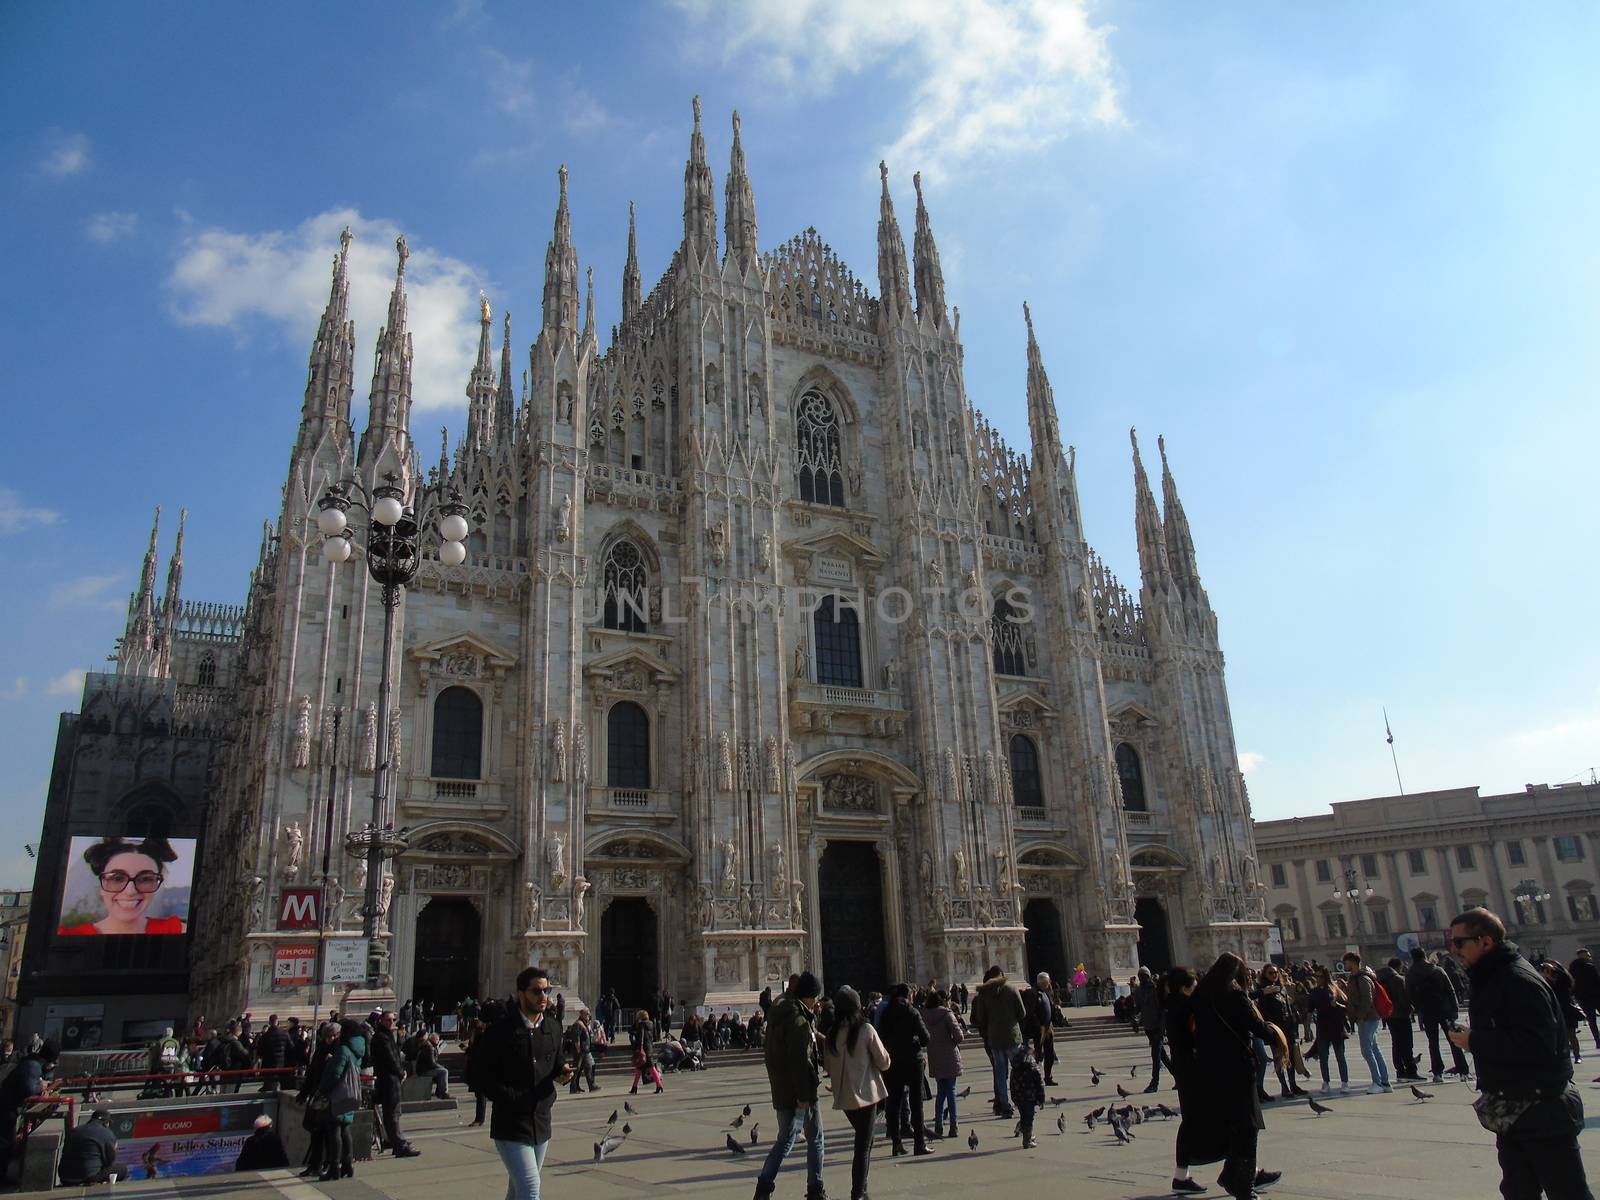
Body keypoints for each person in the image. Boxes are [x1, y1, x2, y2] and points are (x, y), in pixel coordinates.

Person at [1447, 907, 1593, 1200]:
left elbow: (1537, 1045)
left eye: (1460, 943)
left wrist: (1475, 1040)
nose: (1454, 950)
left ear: (1485, 941)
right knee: (1518, 1191)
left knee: (1567, 1192)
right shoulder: (1494, 976)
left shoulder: (1517, 980)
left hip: (1541, 1107)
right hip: (1516, 1107)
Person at [472, 967, 574, 1200]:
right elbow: (481, 1075)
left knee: (517, 1191)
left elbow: (557, 1063)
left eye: (546, 990)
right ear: (521, 993)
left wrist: (563, 1073)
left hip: (540, 1121)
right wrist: (511, 1098)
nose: (543, 996)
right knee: (530, 1188)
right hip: (511, 1123)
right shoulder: (500, 1032)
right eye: (536, 991)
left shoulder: (552, 1028)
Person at [1191, 952, 1285, 1200]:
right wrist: (1276, 1034)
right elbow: (1256, 1027)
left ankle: (1232, 1175)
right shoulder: (1233, 995)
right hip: (1237, 1068)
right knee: (1247, 1126)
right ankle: (1244, 1186)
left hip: (1212, 1070)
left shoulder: (1200, 995)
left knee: (1233, 1124)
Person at [754, 969, 826, 1200]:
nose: (816, 1001)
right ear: (808, 996)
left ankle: (764, 1186)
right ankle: (815, 1188)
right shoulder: (797, 1020)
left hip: (782, 1088)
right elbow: (799, 1062)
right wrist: (804, 1096)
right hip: (800, 1092)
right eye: (815, 996)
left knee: (786, 1138)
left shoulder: (778, 1014)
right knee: (814, 1138)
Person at [823, 985, 889, 1200]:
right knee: (863, 1147)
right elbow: (884, 1061)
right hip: (867, 1096)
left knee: (865, 1142)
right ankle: (858, 1193)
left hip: (845, 1098)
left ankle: (863, 1190)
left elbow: (829, 1068)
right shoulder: (866, 1030)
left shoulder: (831, 1036)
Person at [57, 836, 188, 935]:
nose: (130, 891)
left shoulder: (177, 931)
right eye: (117, 878)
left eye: (145, 879)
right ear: (101, 885)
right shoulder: (66, 935)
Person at [1163, 966, 1219, 1194]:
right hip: (1195, 1072)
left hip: (1186, 1072)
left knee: (1192, 1122)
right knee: (1221, 1119)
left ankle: (1181, 1175)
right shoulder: (1186, 1008)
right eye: (1195, 983)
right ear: (1187, 987)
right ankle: (1243, 1170)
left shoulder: (1173, 1006)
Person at [877, 982, 933, 1157]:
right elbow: (926, 1038)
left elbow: (881, 1037)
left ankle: (896, 1144)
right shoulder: (911, 1012)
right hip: (912, 1062)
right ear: (908, 995)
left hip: (893, 1062)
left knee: (893, 1104)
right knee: (916, 1104)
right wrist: (915, 1040)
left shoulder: (886, 1013)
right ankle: (919, 1144)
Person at [1407, 946, 1472, 1083]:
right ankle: (1463, 1071)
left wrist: (1419, 1008)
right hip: (1444, 1009)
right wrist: (1454, 1009)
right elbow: (1450, 990)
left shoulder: (1411, 973)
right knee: (1454, 1041)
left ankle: (1437, 1073)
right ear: (1424, 955)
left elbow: (1410, 994)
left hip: (1427, 1011)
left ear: (1412, 958)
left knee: (1433, 1043)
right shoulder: (1437, 970)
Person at [970, 964, 1026, 1118]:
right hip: (1012, 1037)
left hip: (994, 1039)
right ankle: (1022, 1101)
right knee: (1020, 1071)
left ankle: (1005, 1105)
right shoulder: (1012, 989)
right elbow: (1022, 1013)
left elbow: (980, 1019)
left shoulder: (983, 994)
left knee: (1000, 1074)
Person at [313, 1019, 366, 1181]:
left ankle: (334, 1167)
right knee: (345, 1129)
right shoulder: (357, 1049)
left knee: (334, 1129)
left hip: (337, 1094)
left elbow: (335, 1074)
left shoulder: (343, 1050)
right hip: (350, 1092)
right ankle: (347, 1165)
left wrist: (322, 1090)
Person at [0, 1037, 57, 1180]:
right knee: (5, 1143)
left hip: (7, 1107)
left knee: (6, 1142)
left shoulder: (31, 1062)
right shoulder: (33, 1066)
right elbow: (28, 1088)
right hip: (6, 1109)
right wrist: (42, 1086)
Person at [1341, 952, 1392, 1093]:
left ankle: (1378, 1082)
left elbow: (1367, 999)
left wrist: (1360, 1016)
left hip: (1368, 1018)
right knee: (1374, 1049)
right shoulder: (1356, 978)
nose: (1345, 965)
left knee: (1367, 1050)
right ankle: (1385, 1082)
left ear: (1353, 962)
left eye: (1346, 962)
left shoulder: (1362, 978)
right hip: (1367, 1017)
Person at [370, 1010, 419, 1157]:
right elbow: (390, 1058)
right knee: (392, 1113)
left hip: (390, 1079)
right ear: (381, 1021)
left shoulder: (387, 1036)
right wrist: (401, 1072)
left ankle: (397, 1140)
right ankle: (399, 1144)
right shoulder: (382, 1037)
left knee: (393, 1112)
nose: (391, 1023)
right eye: (388, 1020)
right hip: (388, 1079)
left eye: (393, 1020)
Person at [924, 988, 965, 1140]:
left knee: (941, 1092)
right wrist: (951, 1042)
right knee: (951, 1091)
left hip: (934, 1056)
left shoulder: (924, 1016)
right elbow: (959, 1036)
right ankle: (954, 1126)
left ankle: (938, 1125)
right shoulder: (947, 1014)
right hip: (949, 1055)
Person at [1307, 965, 1351, 1093]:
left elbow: (1347, 1006)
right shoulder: (1314, 992)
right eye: (1316, 976)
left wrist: (1336, 1004)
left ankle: (1345, 1082)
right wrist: (1307, 1028)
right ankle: (1326, 1082)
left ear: (1326, 977)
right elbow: (1310, 1011)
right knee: (1323, 1057)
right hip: (1322, 1027)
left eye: (1320, 976)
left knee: (1340, 1056)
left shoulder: (1335, 988)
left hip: (1336, 1027)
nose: (1318, 978)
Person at [1376, 958, 1420, 1082]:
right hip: (1401, 1015)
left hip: (1389, 1016)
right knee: (1406, 1044)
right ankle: (1411, 1071)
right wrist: (1410, 1009)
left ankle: (1400, 1071)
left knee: (1396, 1043)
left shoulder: (1380, 979)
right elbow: (1404, 999)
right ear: (1398, 967)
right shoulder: (1398, 980)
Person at [58, 1108, 126, 1186]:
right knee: (122, 1169)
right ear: (107, 1123)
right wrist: (114, 1148)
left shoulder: (75, 1130)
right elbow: (110, 1161)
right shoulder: (107, 1133)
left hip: (65, 1177)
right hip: (88, 1177)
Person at [1539, 959, 1585, 1065]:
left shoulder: (1563, 976)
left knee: (1571, 1034)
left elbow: (1564, 983)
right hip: (1554, 1008)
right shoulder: (1546, 977)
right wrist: (1545, 974)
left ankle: (1577, 1056)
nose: (1548, 968)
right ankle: (1562, 1058)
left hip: (1566, 1007)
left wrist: (1552, 969)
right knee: (1558, 1036)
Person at [1134, 966, 1171, 1091]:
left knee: (1155, 1055)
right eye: (1140, 976)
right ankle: (1179, 1077)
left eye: (1143, 975)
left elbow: (1162, 1010)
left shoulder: (1155, 989)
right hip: (1148, 1027)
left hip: (1157, 1027)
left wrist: (1162, 1029)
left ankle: (1154, 1084)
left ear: (1148, 976)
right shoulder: (1139, 991)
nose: (1141, 978)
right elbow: (1139, 1008)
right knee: (1163, 1056)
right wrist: (1135, 1019)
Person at [1009, 1039, 1045, 1149]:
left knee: (1024, 1116)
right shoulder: (1032, 1064)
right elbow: (1039, 1083)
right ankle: (1027, 1140)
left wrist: (1013, 1097)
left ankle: (1028, 1136)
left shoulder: (1015, 1065)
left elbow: (1012, 1083)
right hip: (1030, 1096)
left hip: (1019, 1096)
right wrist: (1041, 1099)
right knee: (1029, 1118)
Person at [1025, 972, 1059, 1086]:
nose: (1049, 983)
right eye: (1047, 982)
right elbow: (1030, 1012)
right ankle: (1035, 1077)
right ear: (1043, 982)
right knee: (1038, 1054)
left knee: (1049, 1053)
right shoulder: (1033, 993)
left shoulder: (1045, 993)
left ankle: (1048, 1077)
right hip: (1040, 1029)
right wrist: (1038, 1025)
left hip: (1048, 1027)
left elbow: (1049, 1007)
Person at [1570, 949, 1600, 1051]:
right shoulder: (1589, 966)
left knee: (1592, 1020)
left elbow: (1571, 982)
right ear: (1582, 955)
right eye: (1588, 955)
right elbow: (1597, 980)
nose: (1589, 956)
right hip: (1596, 995)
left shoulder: (1573, 967)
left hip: (1583, 998)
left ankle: (1598, 1041)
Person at [253, 1013, 292, 1093]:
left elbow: (260, 1052)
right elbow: (290, 1048)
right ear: (277, 1022)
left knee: (269, 1086)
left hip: (268, 1065)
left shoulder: (265, 1036)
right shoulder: (285, 1034)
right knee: (278, 1085)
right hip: (281, 1064)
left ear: (269, 1022)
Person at [628, 1009, 664, 1095]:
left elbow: (641, 1037)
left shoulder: (641, 1024)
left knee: (651, 1068)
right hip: (649, 1048)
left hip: (643, 1049)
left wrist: (639, 1048)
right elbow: (654, 1036)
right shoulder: (651, 1024)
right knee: (639, 1069)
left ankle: (659, 1085)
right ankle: (634, 1087)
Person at [463, 1018, 489, 1125]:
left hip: (479, 1068)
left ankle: (479, 1119)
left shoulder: (481, 1036)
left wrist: (467, 1050)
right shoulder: (476, 1036)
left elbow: (478, 1052)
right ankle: (478, 1118)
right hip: (474, 1067)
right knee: (479, 1094)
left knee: (480, 1094)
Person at [565, 1009, 596, 1093]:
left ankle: (579, 1086)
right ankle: (574, 1087)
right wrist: (578, 1049)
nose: (589, 1016)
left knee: (584, 1068)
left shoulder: (584, 1023)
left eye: (589, 1014)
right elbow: (576, 1038)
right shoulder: (578, 1024)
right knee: (578, 1068)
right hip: (580, 1051)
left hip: (584, 1050)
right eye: (587, 1014)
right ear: (582, 1014)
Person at [416, 1032, 451, 1099]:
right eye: (437, 1039)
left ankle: (439, 1092)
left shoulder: (430, 1046)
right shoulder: (430, 1047)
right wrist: (441, 1066)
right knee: (444, 1071)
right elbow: (431, 1063)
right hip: (424, 1070)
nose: (438, 1041)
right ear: (434, 1039)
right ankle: (444, 1093)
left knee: (441, 1071)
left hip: (423, 1069)